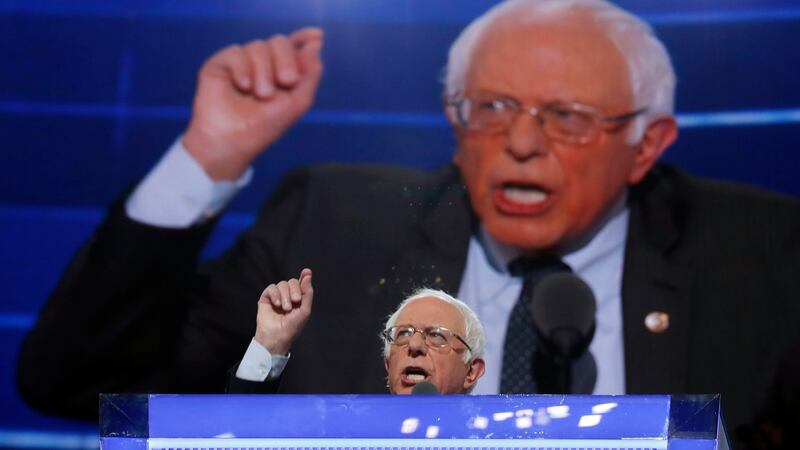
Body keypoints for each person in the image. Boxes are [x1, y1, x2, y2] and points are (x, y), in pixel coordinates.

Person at [17, 0, 800, 446]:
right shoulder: (329, 225)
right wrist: (207, 158)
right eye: (491, 109)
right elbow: (81, 385)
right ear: (453, 125)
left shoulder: (763, 257)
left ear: (646, 146)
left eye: (568, 117)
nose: (522, 143)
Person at [226, 269, 485, 395]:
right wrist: (270, 344)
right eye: (403, 334)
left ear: (471, 371)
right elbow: (237, 437)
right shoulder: (346, 438)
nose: (415, 346)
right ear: (388, 364)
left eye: (437, 335)